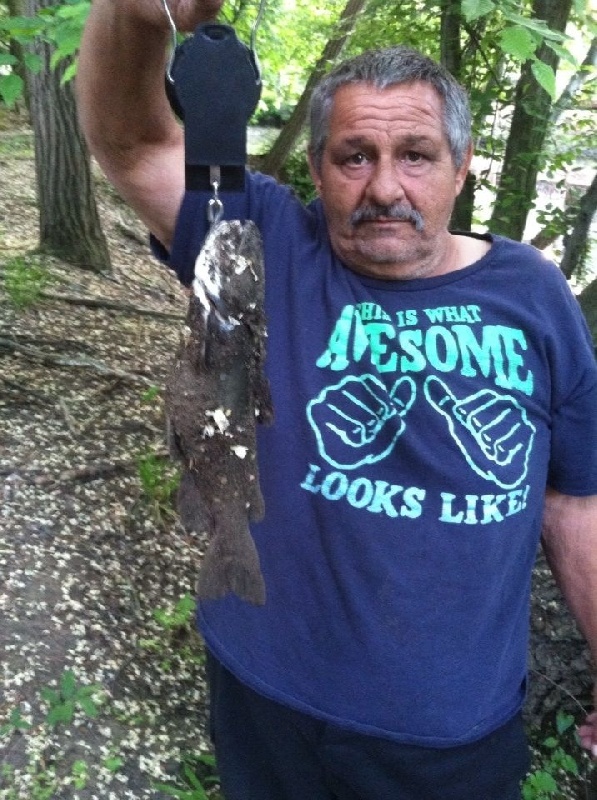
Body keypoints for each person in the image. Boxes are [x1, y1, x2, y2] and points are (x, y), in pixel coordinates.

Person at [77, 3, 597, 798]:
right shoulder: (261, 241)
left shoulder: (531, 293)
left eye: (415, 155)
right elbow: (133, 141)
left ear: (462, 168)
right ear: (315, 169)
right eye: (353, 157)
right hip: (266, 698)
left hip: (452, 731)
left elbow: (574, 502)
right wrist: (142, 16)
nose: (384, 186)